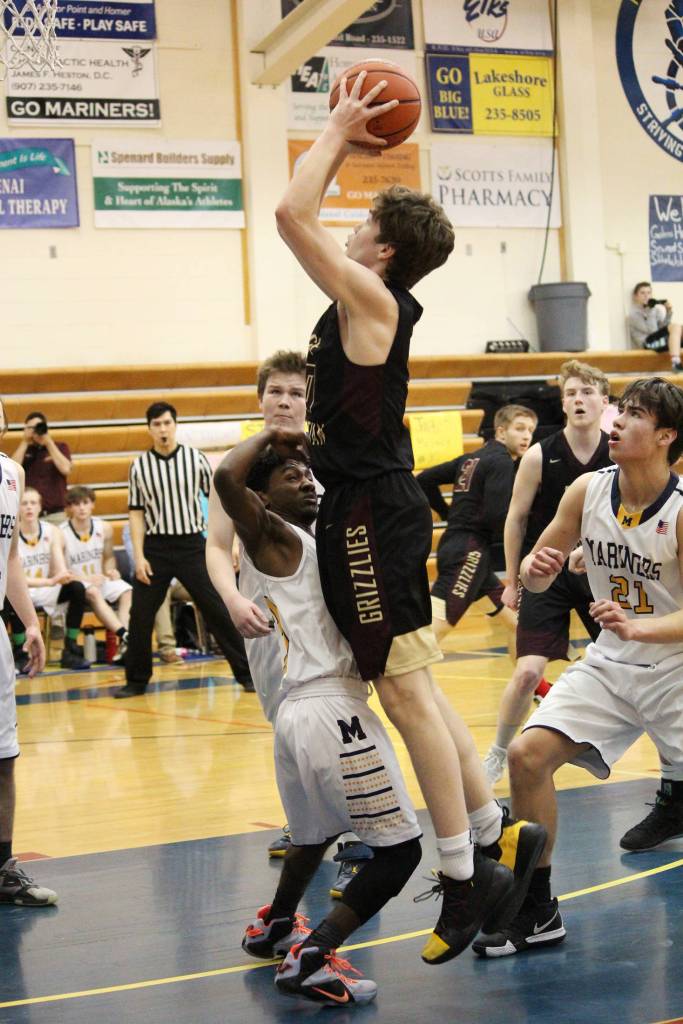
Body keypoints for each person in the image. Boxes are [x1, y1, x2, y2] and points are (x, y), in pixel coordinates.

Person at [275, 71, 545, 965]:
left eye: (362, 225)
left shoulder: (372, 298)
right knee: (416, 692)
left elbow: (289, 214)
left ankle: (463, 878)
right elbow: (308, 220)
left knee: (402, 695)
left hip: (369, 515)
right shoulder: (368, 299)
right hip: (364, 508)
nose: (348, 229)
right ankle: (491, 838)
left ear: (382, 251)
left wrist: (339, 130)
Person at [214, 427, 509, 1003]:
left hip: (297, 716)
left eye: (308, 474)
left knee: (311, 836)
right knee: (401, 852)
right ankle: (313, 956)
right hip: (330, 709)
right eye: (291, 476)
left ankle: (277, 923)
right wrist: (274, 435)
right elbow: (226, 479)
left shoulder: (312, 539)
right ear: (264, 498)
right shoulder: (272, 535)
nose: (307, 481)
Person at [474, 377, 683, 957]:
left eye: (635, 415)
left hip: (675, 669)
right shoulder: (588, 489)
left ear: (665, 436)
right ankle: (536, 909)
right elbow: (539, 575)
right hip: (611, 665)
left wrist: (638, 626)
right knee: (526, 756)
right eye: (621, 410)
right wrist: (536, 571)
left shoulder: (679, 511)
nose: (617, 421)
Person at [207, 350, 371, 882]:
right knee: (284, 719)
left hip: (327, 611)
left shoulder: (329, 458)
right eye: (275, 391)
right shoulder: (241, 465)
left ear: (310, 400)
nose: (285, 401)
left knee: (342, 720)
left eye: (296, 393)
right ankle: (308, 825)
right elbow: (216, 546)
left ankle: (356, 837)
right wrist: (232, 599)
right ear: (260, 399)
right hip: (265, 607)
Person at [482, 360, 612, 785]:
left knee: (628, 668)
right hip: (545, 573)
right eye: (571, 393)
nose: (579, 399)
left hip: (600, 575)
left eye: (587, 392)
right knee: (527, 672)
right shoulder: (540, 454)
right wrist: (511, 581)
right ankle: (498, 752)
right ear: (563, 403)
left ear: (604, 401)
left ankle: (593, 744)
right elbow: (515, 518)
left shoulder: (618, 452)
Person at [115, 401, 253, 698]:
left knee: (218, 609)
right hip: (155, 547)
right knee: (140, 616)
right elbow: (136, 514)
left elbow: (218, 501)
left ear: (175, 425)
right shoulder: (139, 467)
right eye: (157, 424)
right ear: (149, 429)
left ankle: (247, 674)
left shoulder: (195, 459)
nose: (162, 429)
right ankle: (136, 680)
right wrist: (138, 556)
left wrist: (230, 543)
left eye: (167, 423)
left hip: (192, 545)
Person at [417, 404, 537, 650]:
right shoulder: (502, 461)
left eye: (530, 430)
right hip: (469, 554)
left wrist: (447, 513)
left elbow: (424, 479)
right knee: (431, 636)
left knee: (519, 626)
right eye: (520, 428)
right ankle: (395, 672)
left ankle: (533, 677)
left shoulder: (471, 458)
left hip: (459, 547)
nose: (527, 436)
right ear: (501, 432)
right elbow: (497, 514)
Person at [0, 397, 57, 907]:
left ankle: (2, 868)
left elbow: (12, 556)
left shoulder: (13, 475)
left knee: (3, 757)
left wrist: (31, 623)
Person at [7, 486, 90, 672]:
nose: (29, 507)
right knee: (13, 594)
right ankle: (20, 653)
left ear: (40, 507)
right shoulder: (11, 532)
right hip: (24, 588)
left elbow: (59, 566)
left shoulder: (51, 531)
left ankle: (70, 648)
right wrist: (50, 581)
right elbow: (13, 577)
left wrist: (62, 575)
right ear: (17, 508)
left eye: (33, 503)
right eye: (24, 503)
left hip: (45, 589)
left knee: (77, 588)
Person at [61, 486, 131, 663]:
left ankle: (126, 641)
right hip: (76, 584)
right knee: (92, 592)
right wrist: (87, 579)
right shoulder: (61, 533)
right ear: (70, 508)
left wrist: (111, 571)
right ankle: (125, 635)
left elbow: (109, 557)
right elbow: (61, 571)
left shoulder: (104, 528)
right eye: (76, 504)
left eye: (85, 503)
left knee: (127, 591)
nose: (82, 508)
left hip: (99, 579)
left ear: (92, 504)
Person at [11, 412, 72, 523]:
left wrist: (49, 443)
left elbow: (66, 469)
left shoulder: (60, 447)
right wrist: (25, 442)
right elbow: (12, 471)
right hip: (29, 515)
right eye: (31, 427)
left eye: (39, 426)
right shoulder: (24, 450)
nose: (35, 430)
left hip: (55, 514)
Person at [628, 281, 682, 372]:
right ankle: (676, 362)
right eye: (642, 293)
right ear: (635, 296)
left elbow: (663, 329)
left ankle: (676, 360)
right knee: (676, 327)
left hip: (657, 341)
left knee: (679, 328)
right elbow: (652, 331)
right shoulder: (633, 314)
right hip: (646, 343)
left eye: (649, 293)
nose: (646, 296)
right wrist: (650, 310)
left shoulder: (655, 310)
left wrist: (668, 312)